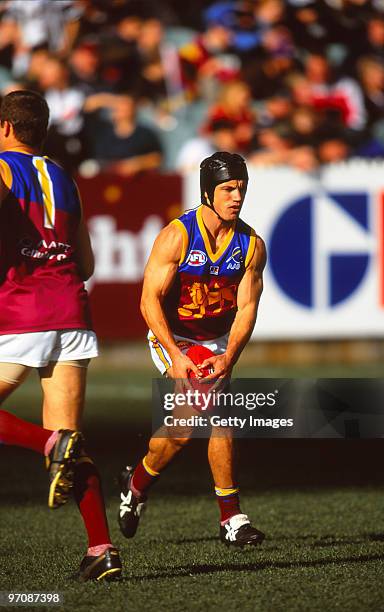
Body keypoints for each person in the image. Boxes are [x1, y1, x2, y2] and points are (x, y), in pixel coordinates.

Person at [0, 90, 121, 581]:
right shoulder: (65, 178)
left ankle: (46, 444)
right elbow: (87, 262)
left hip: (21, 315)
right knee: (72, 442)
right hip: (72, 313)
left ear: (5, 128)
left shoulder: (3, 170)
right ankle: (101, 549)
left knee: (56, 443)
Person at [118, 151, 267, 547]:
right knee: (212, 418)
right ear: (206, 192)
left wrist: (227, 355)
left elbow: (247, 311)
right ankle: (231, 516)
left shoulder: (251, 245)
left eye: (241, 188)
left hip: (217, 340)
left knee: (192, 427)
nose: (237, 196)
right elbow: (148, 302)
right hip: (176, 336)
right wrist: (177, 354)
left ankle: (137, 483)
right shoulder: (177, 236)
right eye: (227, 189)